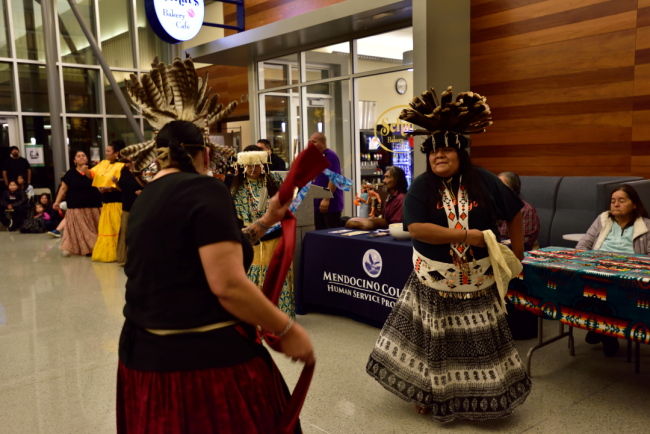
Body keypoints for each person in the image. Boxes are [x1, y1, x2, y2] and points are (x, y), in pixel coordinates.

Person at [119, 120, 314, 433]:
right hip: (201, 363)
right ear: (206, 156)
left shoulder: (145, 198)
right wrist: (286, 328)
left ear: (157, 158)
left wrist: (265, 221)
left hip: (143, 357)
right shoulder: (206, 189)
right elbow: (229, 285)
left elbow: (213, 246)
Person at [366, 87, 531, 422]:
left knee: (480, 343)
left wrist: (517, 254)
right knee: (433, 345)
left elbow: (515, 210)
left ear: (459, 151)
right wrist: (468, 235)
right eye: (433, 152)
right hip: (435, 282)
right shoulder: (421, 187)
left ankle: (487, 395)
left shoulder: (483, 181)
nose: (439, 156)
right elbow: (417, 229)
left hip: (478, 281)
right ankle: (428, 394)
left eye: (446, 150)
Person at [576, 184, 650, 356]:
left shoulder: (646, 225)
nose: (615, 204)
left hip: (629, 274)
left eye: (621, 201)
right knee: (587, 286)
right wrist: (580, 261)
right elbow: (583, 244)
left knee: (610, 292)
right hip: (597, 268)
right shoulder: (603, 219)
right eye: (612, 201)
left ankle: (601, 331)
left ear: (634, 204)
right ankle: (606, 333)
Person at [231, 145, 295, 318]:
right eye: (249, 165)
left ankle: (278, 317)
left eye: (256, 165)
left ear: (263, 164)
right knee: (251, 275)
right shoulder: (236, 185)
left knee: (273, 275)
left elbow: (287, 201)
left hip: (274, 237)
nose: (252, 169)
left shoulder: (274, 180)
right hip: (250, 239)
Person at [54, 151, 103, 257]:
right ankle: (84, 248)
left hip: (93, 205)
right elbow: (63, 188)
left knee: (93, 229)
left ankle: (94, 248)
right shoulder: (70, 174)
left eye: (83, 156)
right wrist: (57, 202)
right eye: (78, 156)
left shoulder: (93, 171)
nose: (81, 158)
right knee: (81, 230)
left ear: (87, 159)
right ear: (74, 160)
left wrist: (99, 166)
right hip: (76, 206)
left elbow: (103, 180)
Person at [89, 141, 125, 263]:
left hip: (117, 203)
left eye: (108, 151)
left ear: (116, 153)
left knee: (117, 229)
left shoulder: (122, 166)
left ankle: (120, 254)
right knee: (106, 230)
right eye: (106, 150)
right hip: (106, 203)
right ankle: (108, 254)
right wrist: (83, 168)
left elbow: (122, 185)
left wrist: (108, 189)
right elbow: (91, 174)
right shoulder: (103, 163)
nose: (106, 153)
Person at [113, 157, 145, 267]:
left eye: (132, 161)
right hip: (126, 205)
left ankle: (139, 259)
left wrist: (142, 192)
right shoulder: (123, 173)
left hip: (138, 206)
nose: (130, 163)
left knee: (137, 232)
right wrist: (116, 183)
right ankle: (125, 258)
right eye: (128, 162)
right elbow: (121, 189)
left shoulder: (140, 172)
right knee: (125, 232)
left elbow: (148, 186)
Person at [498, 172, 541, 250]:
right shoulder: (492, 207)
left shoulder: (527, 210)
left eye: (501, 186)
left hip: (516, 254)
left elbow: (525, 243)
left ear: (511, 189)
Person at [311, 132, 344, 229]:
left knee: (332, 235)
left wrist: (326, 199)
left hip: (330, 204)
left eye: (314, 142)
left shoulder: (331, 156)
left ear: (323, 143)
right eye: (310, 142)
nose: (311, 144)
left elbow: (334, 178)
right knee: (320, 236)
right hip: (317, 204)